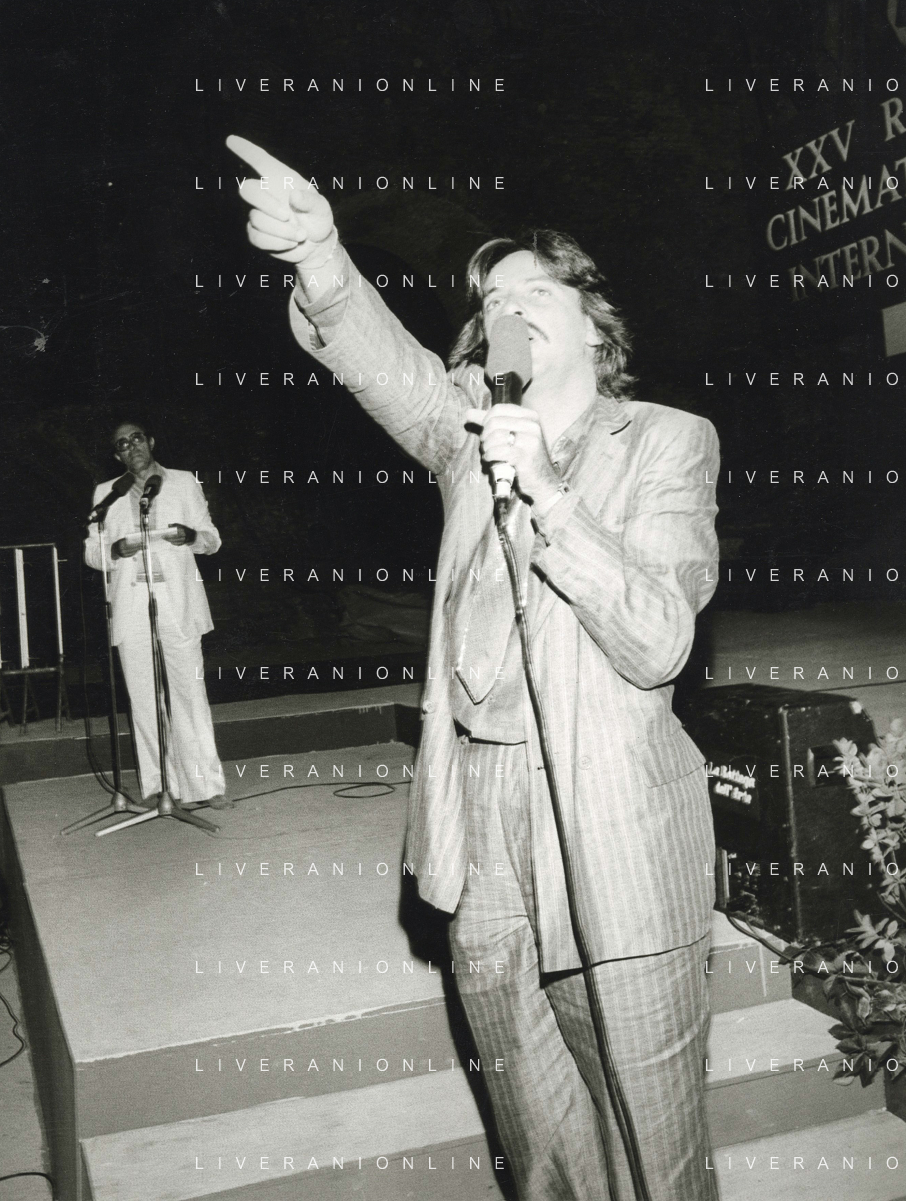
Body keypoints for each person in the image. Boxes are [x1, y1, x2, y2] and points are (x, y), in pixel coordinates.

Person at [228, 134, 720, 1201]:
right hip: (481, 821)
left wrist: (549, 493)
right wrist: (321, 259)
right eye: (494, 298)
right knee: (541, 1148)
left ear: (596, 322)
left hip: (614, 820)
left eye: (538, 289)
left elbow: (659, 638)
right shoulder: (465, 435)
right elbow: (386, 361)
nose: (510, 305)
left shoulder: (666, 441)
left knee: (656, 1150)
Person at [84, 420, 230, 810]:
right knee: (143, 698)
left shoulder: (183, 482)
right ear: (117, 455)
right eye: (122, 444)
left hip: (178, 604)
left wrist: (192, 537)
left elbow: (212, 539)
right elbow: (92, 553)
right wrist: (114, 550)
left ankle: (205, 786)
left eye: (136, 438)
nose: (131, 446)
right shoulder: (107, 493)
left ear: (150, 441)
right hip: (131, 605)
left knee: (189, 693)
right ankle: (157, 785)